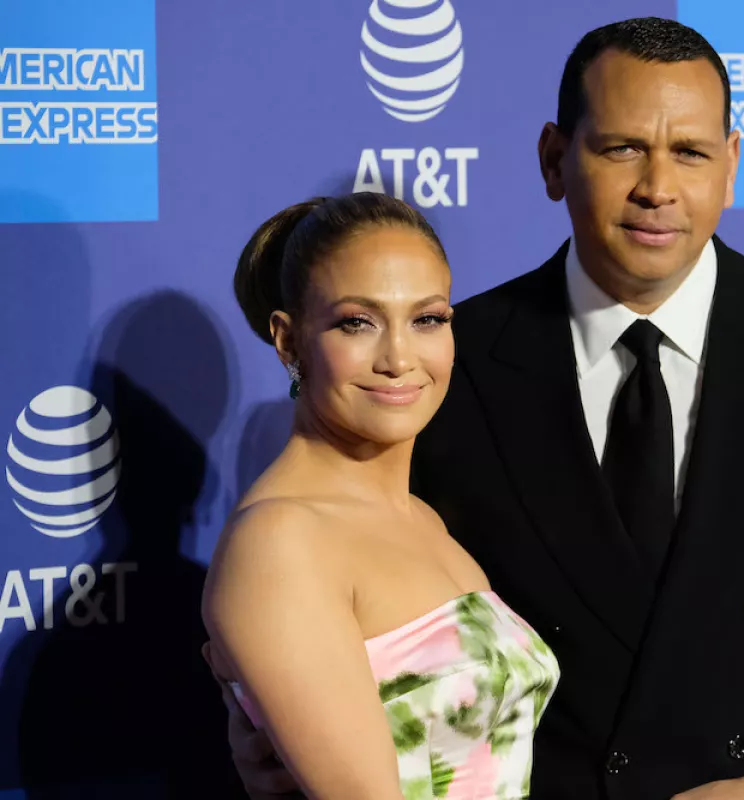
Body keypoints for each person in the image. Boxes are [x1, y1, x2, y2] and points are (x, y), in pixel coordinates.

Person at [215, 17, 744, 800]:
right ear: (554, 159)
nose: (657, 187)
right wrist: (271, 725)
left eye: (690, 152)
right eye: (622, 148)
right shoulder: (443, 369)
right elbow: (339, 597)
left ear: (731, 166)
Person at [201, 193, 559, 799]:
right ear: (288, 341)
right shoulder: (280, 543)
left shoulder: (422, 518)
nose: (398, 358)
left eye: (428, 319)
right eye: (356, 323)